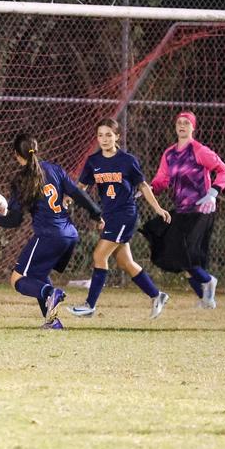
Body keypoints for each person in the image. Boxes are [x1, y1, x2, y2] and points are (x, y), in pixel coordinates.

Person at [0, 133, 103, 329]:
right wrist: (96, 213)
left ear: (16, 154)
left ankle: (50, 293)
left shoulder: (21, 180)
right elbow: (78, 193)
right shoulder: (55, 169)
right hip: (69, 234)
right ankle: (52, 321)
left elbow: (14, 220)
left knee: (17, 279)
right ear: (36, 150)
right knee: (39, 274)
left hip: (49, 235)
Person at [67, 118, 172, 320]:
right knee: (125, 262)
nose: (104, 139)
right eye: (100, 135)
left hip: (125, 214)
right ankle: (156, 295)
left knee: (99, 255)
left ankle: (89, 306)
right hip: (108, 216)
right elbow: (81, 187)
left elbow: (143, 186)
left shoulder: (127, 160)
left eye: (108, 135)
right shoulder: (93, 161)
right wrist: (67, 198)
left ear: (117, 136)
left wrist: (158, 208)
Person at [147, 111, 225, 308]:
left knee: (184, 255)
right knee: (180, 258)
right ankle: (206, 298)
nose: (182, 126)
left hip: (201, 210)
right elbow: (161, 180)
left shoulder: (199, 150)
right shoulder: (169, 154)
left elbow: (224, 171)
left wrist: (213, 193)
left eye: (186, 123)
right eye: (179, 122)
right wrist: (148, 190)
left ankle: (208, 281)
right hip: (181, 210)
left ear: (193, 127)